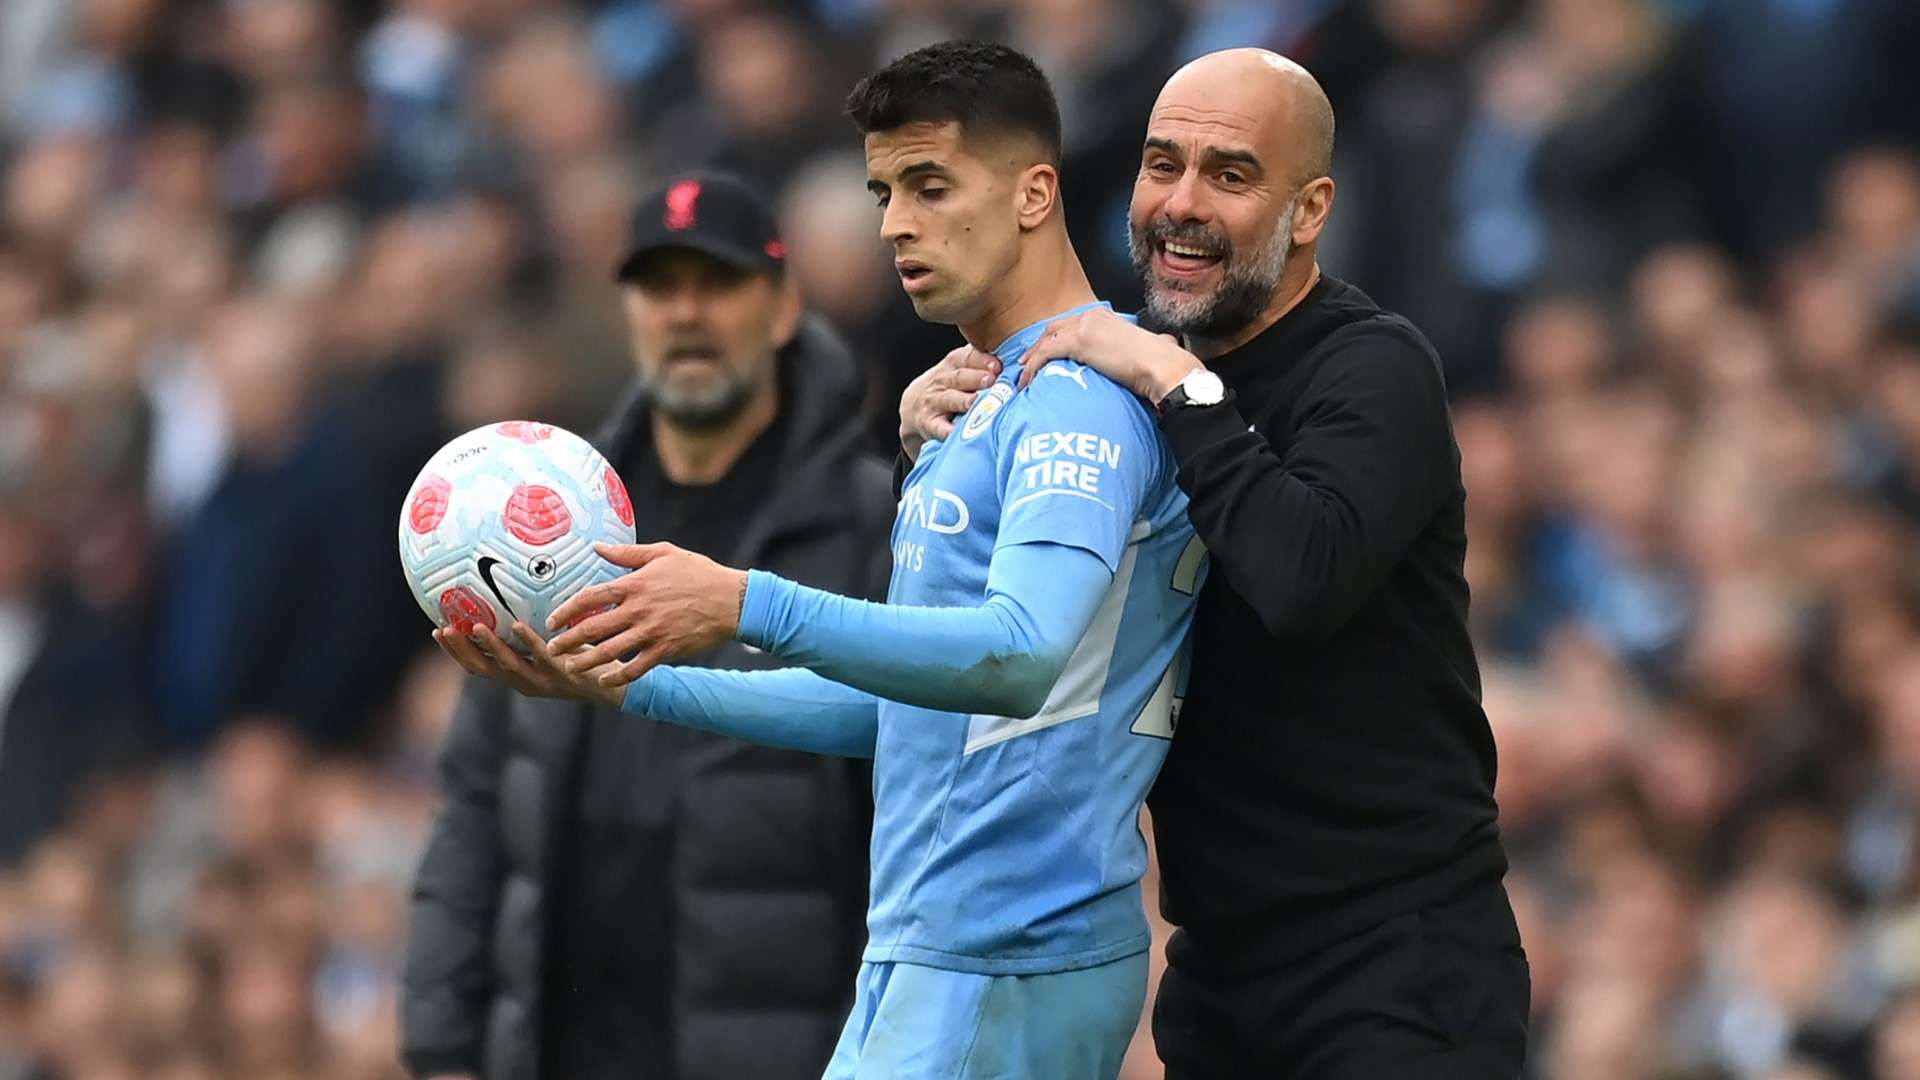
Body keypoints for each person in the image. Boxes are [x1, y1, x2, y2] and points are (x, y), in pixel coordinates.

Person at [435, 42, 1203, 1080]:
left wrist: (744, 600)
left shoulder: (1083, 400)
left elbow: (1021, 657)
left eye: (931, 186)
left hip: (1012, 946)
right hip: (932, 949)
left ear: (1034, 194)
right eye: (884, 191)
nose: (896, 223)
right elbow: (905, 716)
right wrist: (634, 687)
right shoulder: (974, 404)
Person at [905, 48, 1531, 1078]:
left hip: (1397, 970)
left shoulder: (1376, 369)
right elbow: (1005, 621)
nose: (1180, 205)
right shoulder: (1118, 380)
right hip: (1217, 979)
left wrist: (1180, 385)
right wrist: (929, 451)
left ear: (1313, 208)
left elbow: (1299, 577)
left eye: (1230, 176)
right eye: (1162, 165)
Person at [400, 172, 893, 1080]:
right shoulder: (529, 521)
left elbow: (911, 797)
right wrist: (440, 1046)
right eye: (660, 288)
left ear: (783, 309)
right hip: (564, 1038)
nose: (686, 314)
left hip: (782, 1044)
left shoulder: (871, 522)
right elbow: (476, 799)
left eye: (719, 283)